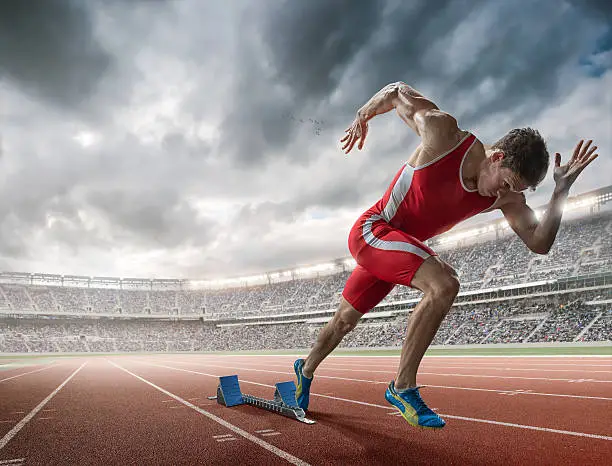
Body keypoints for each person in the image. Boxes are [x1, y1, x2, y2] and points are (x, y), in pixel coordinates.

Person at [293, 81, 599, 429]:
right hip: (373, 231)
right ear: (496, 157)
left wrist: (561, 192)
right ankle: (402, 387)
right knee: (445, 283)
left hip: (398, 248)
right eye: (507, 182)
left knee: (344, 321)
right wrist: (364, 114)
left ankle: (304, 370)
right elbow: (396, 92)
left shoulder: (507, 198)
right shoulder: (444, 135)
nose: (505, 193)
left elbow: (538, 242)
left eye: (515, 191)